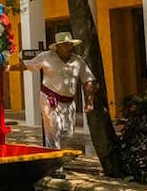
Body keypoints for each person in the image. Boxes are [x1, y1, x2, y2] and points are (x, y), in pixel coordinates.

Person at [10, 31, 96, 176]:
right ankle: (56, 169)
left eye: (70, 44)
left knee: (67, 134)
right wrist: (7, 68)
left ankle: (54, 160)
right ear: (58, 47)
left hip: (69, 103)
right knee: (53, 133)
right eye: (65, 44)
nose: (69, 47)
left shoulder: (78, 61)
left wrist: (90, 102)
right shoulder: (46, 57)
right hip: (50, 99)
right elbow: (27, 65)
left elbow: (88, 80)